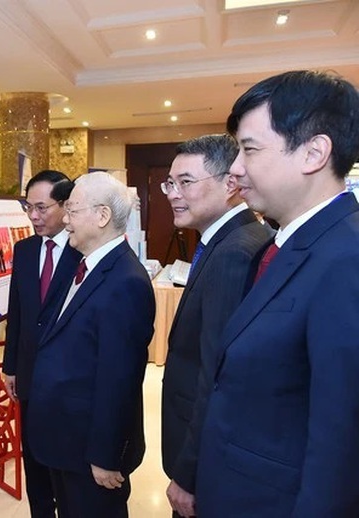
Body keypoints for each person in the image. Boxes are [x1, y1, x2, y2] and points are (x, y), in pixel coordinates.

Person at [196, 70, 359, 516]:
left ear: (313, 152)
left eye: (249, 149)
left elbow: (340, 444)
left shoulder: (347, 259)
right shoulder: (282, 246)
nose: (235, 168)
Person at [27, 172, 155, 517]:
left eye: (72, 210)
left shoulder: (125, 281)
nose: (65, 220)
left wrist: (105, 455)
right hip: (66, 441)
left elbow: (120, 379)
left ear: (102, 216)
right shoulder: (87, 266)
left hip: (90, 452)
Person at [160, 134, 272, 517]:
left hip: (206, 458)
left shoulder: (235, 251)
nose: (173, 194)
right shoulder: (227, 239)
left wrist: (188, 472)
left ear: (230, 184)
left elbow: (217, 374)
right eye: (170, 183)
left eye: (186, 182)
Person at [2, 169, 81, 517]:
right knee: (33, 461)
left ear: (65, 205)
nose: (33, 216)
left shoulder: (82, 252)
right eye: (28, 207)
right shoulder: (24, 250)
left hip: (67, 381)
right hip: (30, 376)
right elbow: (17, 312)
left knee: (65, 468)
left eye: (41, 208)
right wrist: (10, 366)